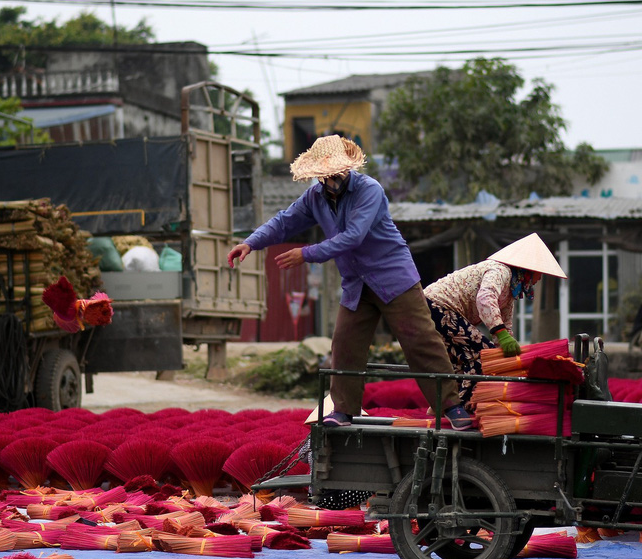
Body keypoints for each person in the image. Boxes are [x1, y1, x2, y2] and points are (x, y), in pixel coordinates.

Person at [227, 134, 471, 430]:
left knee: (420, 340)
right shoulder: (314, 198)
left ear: (347, 168)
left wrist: (306, 254)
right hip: (357, 284)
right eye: (327, 174)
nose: (333, 178)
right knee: (344, 345)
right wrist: (251, 243)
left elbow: (353, 237)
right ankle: (342, 410)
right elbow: (283, 222)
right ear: (319, 176)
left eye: (337, 172)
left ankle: (452, 406)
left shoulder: (369, 190)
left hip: (392, 277)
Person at [424, 233, 567, 406]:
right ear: (528, 270)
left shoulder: (511, 290)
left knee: (463, 361)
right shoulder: (500, 271)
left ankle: (441, 408)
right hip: (438, 306)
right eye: (540, 273)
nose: (540, 278)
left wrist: (509, 351)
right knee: (483, 355)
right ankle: (461, 408)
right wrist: (500, 336)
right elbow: (485, 298)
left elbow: (504, 326)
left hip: (441, 310)